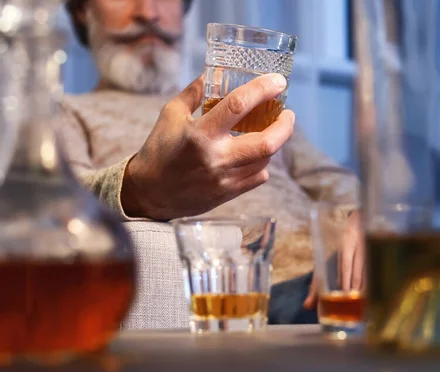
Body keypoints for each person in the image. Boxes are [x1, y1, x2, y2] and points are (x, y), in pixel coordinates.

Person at [60, 0, 361, 317]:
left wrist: (363, 220)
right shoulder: (66, 111)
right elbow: (61, 201)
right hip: (257, 293)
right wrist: (138, 185)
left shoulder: (254, 108)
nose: (148, 13)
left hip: (329, 277)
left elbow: (342, 189)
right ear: (82, 10)